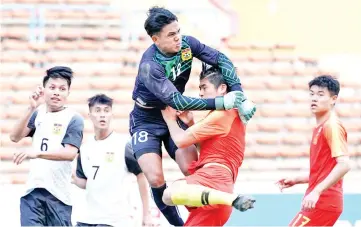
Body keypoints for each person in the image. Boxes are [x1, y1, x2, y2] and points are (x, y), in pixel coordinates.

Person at [130, 6, 256, 226]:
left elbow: (221, 59)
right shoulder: (150, 66)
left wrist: (239, 95)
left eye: (178, 31)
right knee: (156, 178)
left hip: (172, 117)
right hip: (147, 120)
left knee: (193, 171)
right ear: (155, 39)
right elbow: (177, 101)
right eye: (171, 35)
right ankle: (178, 224)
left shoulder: (188, 44)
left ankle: (203, 218)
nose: (178, 38)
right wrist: (220, 102)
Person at [160, 65, 255, 226]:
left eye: (204, 87)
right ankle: (231, 198)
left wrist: (169, 119)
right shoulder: (229, 114)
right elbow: (204, 150)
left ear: (222, 89)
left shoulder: (222, 114)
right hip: (216, 187)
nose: (200, 93)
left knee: (170, 194)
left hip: (214, 179)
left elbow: (181, 140)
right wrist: (190, 122)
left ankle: (232, 199)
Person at [10, 66, 84, 226]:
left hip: (59, 197)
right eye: (52, 87)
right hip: (32, 193)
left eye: (62, 89)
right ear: (44, 90)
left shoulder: (74, 118)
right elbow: (14, 137)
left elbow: (70, 153)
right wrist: (30, 107)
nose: (57, 92)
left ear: (68, 93)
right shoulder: (37, 113)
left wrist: (36, 153)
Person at [277, 75, 351, 227]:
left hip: (324, 201)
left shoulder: (332, 126)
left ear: (333, 99)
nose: (314, 98)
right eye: (311, 94)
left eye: (320, 94)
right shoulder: (320, 127)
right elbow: (326, 170)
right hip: (323, 202)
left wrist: (316, 191)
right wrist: (298, 179)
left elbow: (344, 165)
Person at [72, 94, 152, 227]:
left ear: (111, 114)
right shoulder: (85, 148)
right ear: (90, 115)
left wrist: (146, 214)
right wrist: (72, 178)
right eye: (97, 111)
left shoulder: (124, 145)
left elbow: (141, 177)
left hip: (114, 220)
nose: (102, 115)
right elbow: (87, 183)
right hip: (87, 218)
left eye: (106, 110)